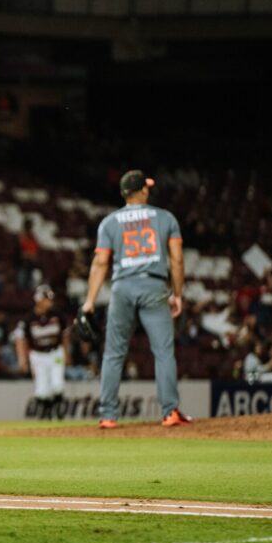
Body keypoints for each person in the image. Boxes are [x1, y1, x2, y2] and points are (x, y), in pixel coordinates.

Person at [80, 170, 191, 429]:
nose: (148, 189)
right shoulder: (165, 217)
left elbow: (100, 262)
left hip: (122, 287)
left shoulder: (109, 222)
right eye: (146, 186)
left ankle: (108, 416)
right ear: (142, 190)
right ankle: (169, 412)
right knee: (163, 352)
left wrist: (89, 301)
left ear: (123, 194)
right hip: (154, 285)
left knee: (113, 353)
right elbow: (176, 259)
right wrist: (177, 294)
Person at [13, 285, 69, 419]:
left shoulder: (57, 315)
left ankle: (58, 409)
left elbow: (65, 335)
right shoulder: (28, 319)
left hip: (55, 352)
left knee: (57, 385)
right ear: (39, 300)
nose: (50, 302)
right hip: (38, 355)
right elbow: (19, 339)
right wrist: (22, 359)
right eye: (47, 299)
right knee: (42, 391)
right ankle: (47, 414)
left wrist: (67, 353)